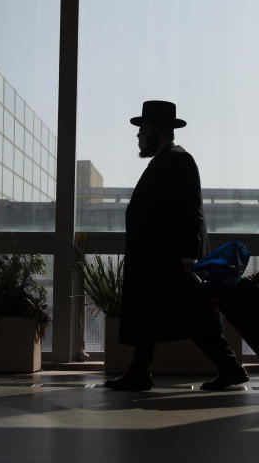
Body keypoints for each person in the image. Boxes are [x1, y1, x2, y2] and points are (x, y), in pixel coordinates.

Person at [104, 100, 248, 392]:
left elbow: (190, 212)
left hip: (171, 259)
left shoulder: (178, 160)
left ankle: (229, 367)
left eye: (142, 128)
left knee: (193, 316)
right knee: (162, 314)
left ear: (156, 130)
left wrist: (188, 256)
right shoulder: (165, 160)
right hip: (160, 258)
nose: (138, 135)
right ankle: (140, 371)